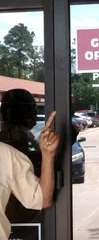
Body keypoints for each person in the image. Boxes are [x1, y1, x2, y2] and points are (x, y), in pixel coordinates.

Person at [0, 89, 60, 239]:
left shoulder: (6, 154)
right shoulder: (14, 142)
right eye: (32, 109)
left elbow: (40, 198)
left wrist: (47, 155)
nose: (34, 114)